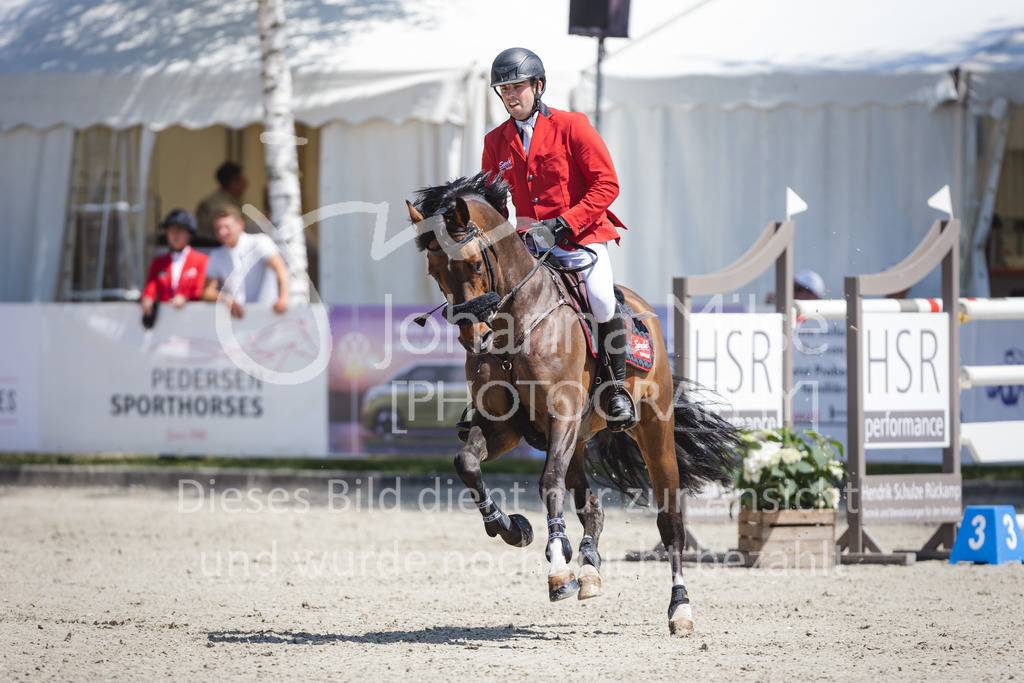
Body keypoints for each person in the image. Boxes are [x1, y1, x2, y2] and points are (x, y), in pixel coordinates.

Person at [481, 47, 633, 428]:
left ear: (539, 85)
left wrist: (566, 223)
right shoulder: (495, 141)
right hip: (529, 247)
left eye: (517, 86)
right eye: (504, 89)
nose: (511, 95)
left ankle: (615, 387)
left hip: (581, 235)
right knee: (495, 308)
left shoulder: (572, 125)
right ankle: (491, 395)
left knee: (599, 298)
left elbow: (607, 183)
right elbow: (493, 201)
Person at [202, 204, 290, 319]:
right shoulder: (216, 255)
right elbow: (207, 292)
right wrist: (225, 298)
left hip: (267, 315)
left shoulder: (260, 242)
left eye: (227, 227)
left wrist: (284, 297)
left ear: (240, 225)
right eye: (218, 228)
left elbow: (281, 268)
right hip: (238, 319)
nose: (222, 232)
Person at [140, 209, 208, 328]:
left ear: (190, 234)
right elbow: (151, 286)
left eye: (180, 230)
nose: (175, 234)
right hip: (165, 323)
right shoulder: (158, 262)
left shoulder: (202, 260)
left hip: (193, 322)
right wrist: (147, 298)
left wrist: (185, 298)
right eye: (171, 230)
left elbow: (200, 289)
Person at [195, 161, 249, 244]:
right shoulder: (222, 205)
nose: (246, 185)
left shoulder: (216, 200)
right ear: (233, 183)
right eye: (243, 181)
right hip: (213, 247)